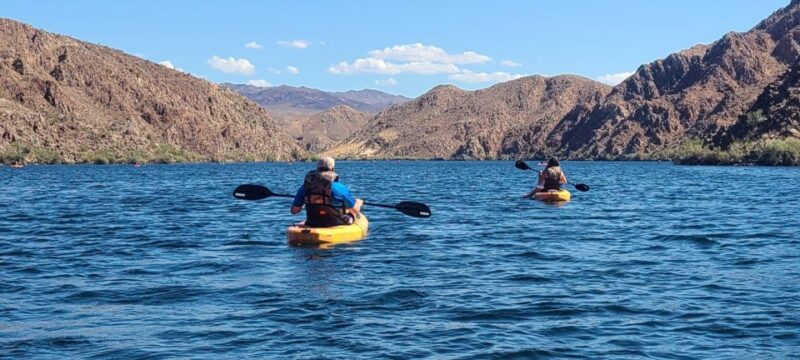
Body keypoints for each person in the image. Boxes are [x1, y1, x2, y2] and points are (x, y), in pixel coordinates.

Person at [290, 156, 363, 227]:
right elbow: (355, 210)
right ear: (332, 169)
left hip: (312, 222)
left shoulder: (305, 187)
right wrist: (358, 203)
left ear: (317, 169)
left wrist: (304, 203)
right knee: (352, 214)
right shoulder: (339, 187)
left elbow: (294, 211)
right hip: (335, 223)